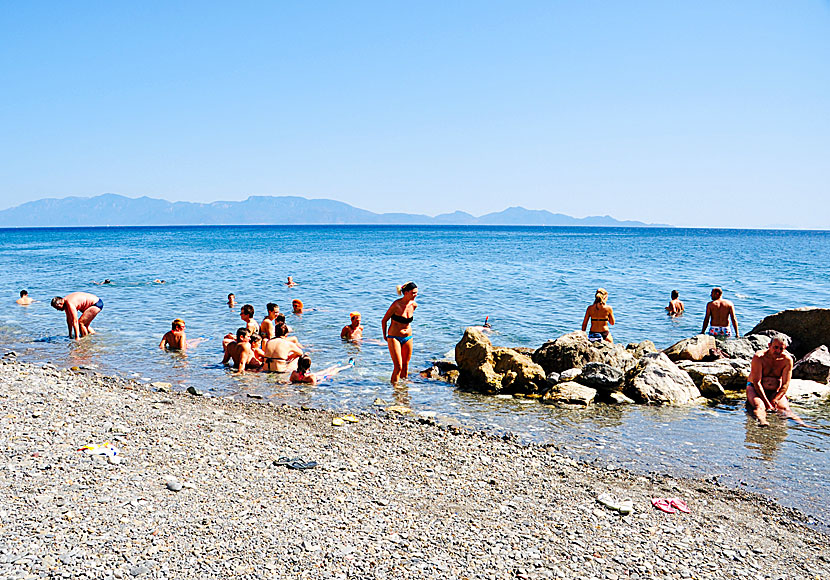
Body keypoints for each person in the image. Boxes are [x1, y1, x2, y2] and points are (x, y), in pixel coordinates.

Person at [746, 336, 804, 426]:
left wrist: (775, 399)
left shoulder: (787, 360)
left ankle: (803, 424)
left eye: (781, 348)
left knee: (784, 409)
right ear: (769, 345)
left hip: (774, 390)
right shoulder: (759, 357)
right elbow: (757, 382)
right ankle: (762, 421)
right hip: (754, 388)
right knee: (760, 406)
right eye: (775, 347)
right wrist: (767, 403)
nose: (778, 351)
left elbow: (785, 384)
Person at [382, 281, 418, 383]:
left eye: (416, 293)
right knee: (398, 367)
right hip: (394, 337)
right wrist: (385, 336)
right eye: (413, 293)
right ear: (406, 292)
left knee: (406, 366)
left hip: (408, 337)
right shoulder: (396, 305)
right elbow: (384, 320)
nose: (416, 295)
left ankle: (404, 390)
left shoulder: (414, 305)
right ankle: (395, 391)